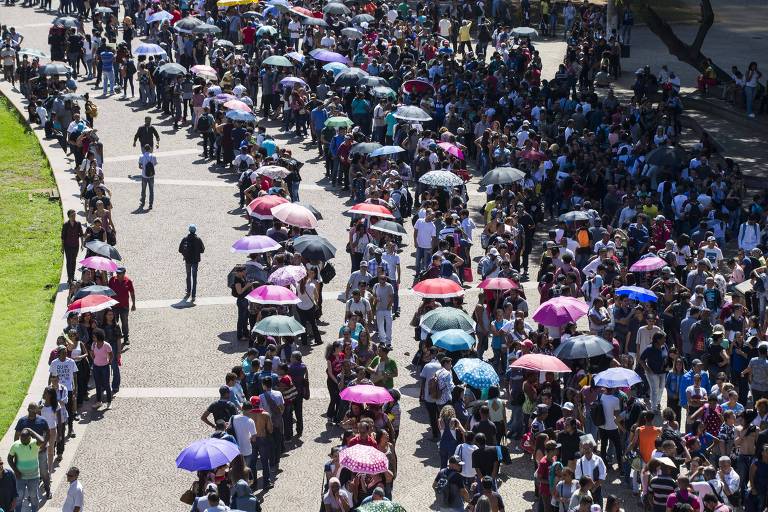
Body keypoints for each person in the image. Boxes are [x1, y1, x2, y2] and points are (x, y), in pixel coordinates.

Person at [8, 428, 45, 512]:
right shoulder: (16, 445)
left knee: (33, 496)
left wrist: (31, 431)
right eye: (21, 439)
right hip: (20, 477)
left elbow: (42, 440)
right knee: (19, 497)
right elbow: (9, 458)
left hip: (34, 476)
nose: (22, 441)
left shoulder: (35, 443)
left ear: (29, 438)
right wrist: (16, 471)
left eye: (25, 439)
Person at [108, 266, 135, 345]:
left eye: (120, 273)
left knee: (125, 322)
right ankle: (114, 337)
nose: (118, 274)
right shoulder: (112, 280)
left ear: (124, 273)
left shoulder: (128, 281)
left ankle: (126, 337)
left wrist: (133, 304)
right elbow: (108, 291)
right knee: (113, 322)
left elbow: (132, 293)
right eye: (117, 273)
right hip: (114, 306)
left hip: (124, 306)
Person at [179, 224, 205, 300]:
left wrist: (185, 253)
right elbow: (202, 250)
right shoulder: (198, 239)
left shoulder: (185, 239)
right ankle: (193, 295)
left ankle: (188, 292)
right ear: (195, 230)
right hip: (195, 261)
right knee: (194, 277)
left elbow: (180, 250)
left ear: (189, 230)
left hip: (187, 260)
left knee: (188, 276)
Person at [61, 209, 83, 284]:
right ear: (69, 216)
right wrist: (62, 247)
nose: (74, 217)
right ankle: (69, 277)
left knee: (73, 261)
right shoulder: (66, 225)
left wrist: (82, 244)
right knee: (68, 261)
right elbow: (63, 237)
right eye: (72, 215)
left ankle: (72, 276)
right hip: (67, 246)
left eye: (74, 215)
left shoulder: (78, 224)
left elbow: (81, 235)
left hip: (75, 245)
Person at [137, 143, 157, 210]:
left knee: (143, 190)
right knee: (151, 190)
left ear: (144, 149)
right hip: (151, 176)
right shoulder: (153, 156)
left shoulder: (141, 156)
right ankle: (150, 204)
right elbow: (154, 164)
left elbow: (140, 166)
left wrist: (143, 167)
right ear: (150, 149)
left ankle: (142, 202)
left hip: (144, 176)